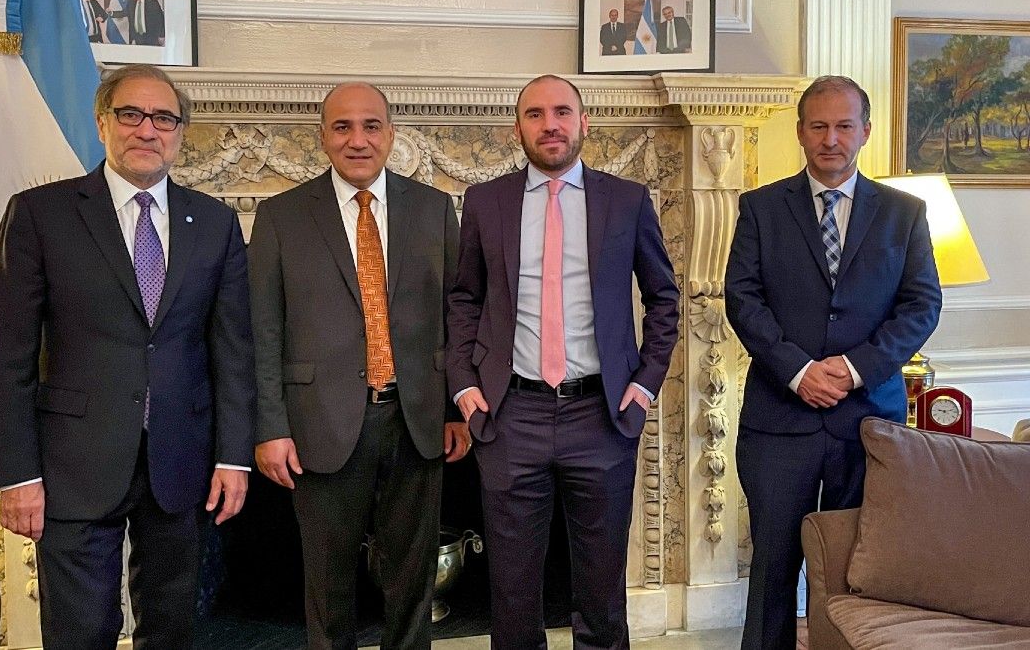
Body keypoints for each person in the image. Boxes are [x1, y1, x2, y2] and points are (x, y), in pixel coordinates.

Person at [0, 64, 256, 649]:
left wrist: (235, 458)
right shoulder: (40, 214)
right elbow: (8, 357)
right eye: (131, 114)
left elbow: (232, 351)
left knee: (173, 630)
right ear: (103, 123)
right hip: (73, 466)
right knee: (81, 632)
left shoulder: (215, 223)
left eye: (163, 118)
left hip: (182, 464)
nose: (147, 130)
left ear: (180, 133)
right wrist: (16, 475)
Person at [446, 74, 680, 650]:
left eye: (561, 112)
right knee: (513, 586)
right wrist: (466, 392)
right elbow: (463, 300)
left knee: (601, 587)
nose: (549, 124)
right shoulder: (485, 201)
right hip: (510, 415)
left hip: (600, 414)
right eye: (534, 114)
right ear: (518, 127)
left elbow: (664, 299)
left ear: (583, 123)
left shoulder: (626, 201)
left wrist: (644, 386)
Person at [725, 75, 941, 650]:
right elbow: (743, 301)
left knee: (856, 574)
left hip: (867, 420)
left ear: (865, 131)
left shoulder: (906, 213)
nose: (831, 139)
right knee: (772, 571)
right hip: (779, 423)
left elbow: (922, 306)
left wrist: (851, 369)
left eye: (844, 126)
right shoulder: (759, 208)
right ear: (800, 132)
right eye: (818, 126)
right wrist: (799, 370)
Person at [249, 82, 468, 649]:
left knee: (412, 580)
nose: (358, 139)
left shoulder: (433, 209)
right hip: (318, 422)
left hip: (416, 421)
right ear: (322, 137)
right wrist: (270, 427)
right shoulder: (280, 216)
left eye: (371, 125)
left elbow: (454, 317)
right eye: (342, 127)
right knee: (328, 585)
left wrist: (454, 410)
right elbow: (264, 330)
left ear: (392, 134)